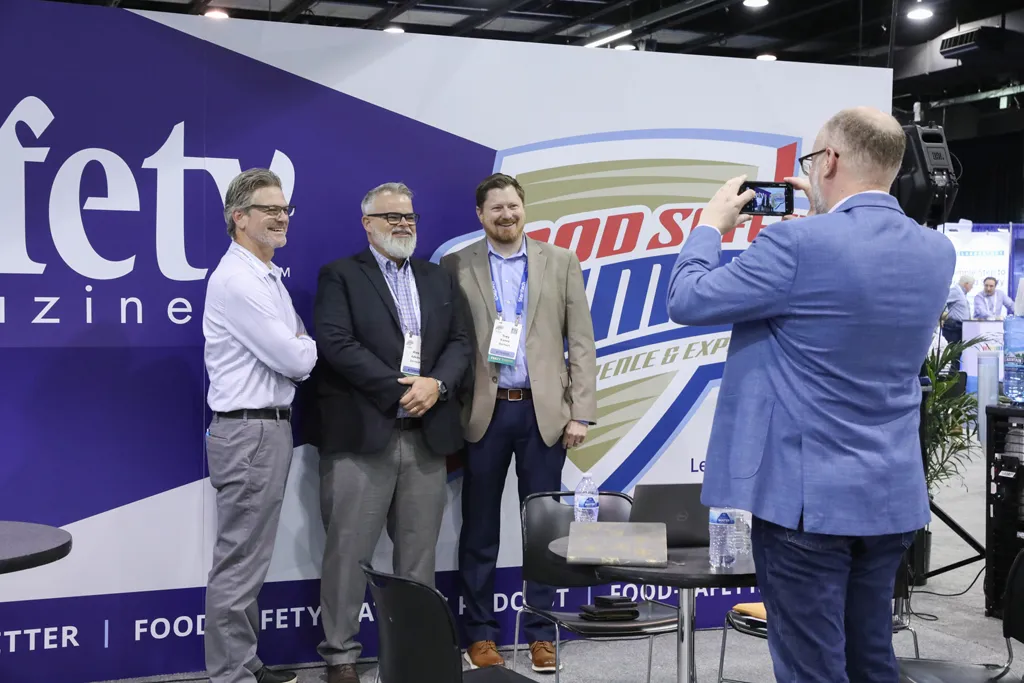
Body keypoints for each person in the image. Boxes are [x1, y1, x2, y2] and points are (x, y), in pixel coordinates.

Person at [666, 107, 955, 683]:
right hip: (889, 496)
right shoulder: (935, 251)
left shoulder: (795, 243)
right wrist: (825, 213)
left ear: (829, 160)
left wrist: (709, 226)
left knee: (811, 668)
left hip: (807, 505)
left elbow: (687, 297)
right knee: (871, 659)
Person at [312, 182, 472, 683]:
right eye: (391, 217)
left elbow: (462, 342)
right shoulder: (340, 275)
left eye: (409, 217)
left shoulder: (437, 278)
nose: (403, 224)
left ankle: (409, 656)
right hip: (364, 436)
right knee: (348, 553)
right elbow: (336, 342)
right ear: (368, 224)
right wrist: (399, 390)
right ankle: (341, 657)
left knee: (418, 559)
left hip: (427, 437)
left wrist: (436, 385)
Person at [441, 173, 597, 673]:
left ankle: (541, 633)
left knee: (544, 530)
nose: (506, 215)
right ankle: (480, 635)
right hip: (484, 414)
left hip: (544, 414)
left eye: (513, 206)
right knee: (479, 529)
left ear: (523, 208)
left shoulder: (561, 261)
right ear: (480, 215)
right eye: (496, 209)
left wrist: (581, 412)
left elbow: (581, 340)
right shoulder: (455, 265)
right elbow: (449, 342)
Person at [202, 168, 317, 683]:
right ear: (239, 218)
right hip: (249, 433)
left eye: (284, 208)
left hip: (265, 431)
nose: (281, 216)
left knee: (250, 557)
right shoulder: (238, 280)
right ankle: (231, 675)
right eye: (269, 209)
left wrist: (299, 345)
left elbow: (297, 343)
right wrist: (301, 347)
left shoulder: (265, 273)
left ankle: (244, 660)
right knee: (240, 560)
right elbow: (295, 357)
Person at [942, 275, 974, 343]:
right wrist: (945, 314)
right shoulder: (955, 291)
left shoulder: (962, 293)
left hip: (960, 328)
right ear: (966, 284)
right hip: (953, 328)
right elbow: (943, 301)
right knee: (953, 348)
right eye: (971, 285)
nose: (972, 287)